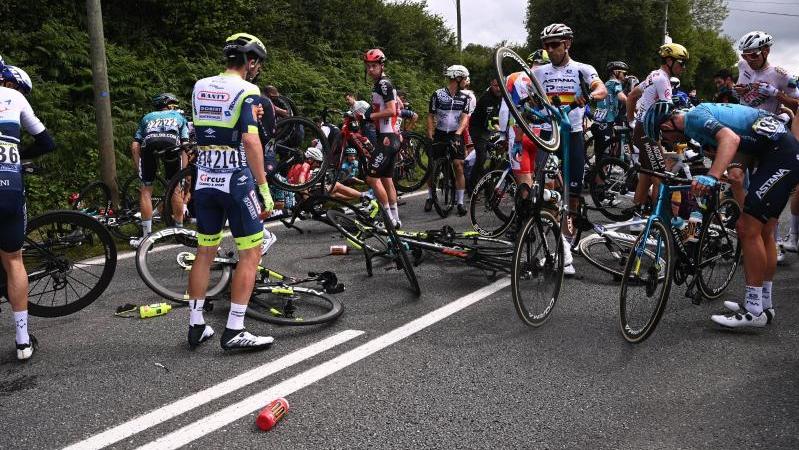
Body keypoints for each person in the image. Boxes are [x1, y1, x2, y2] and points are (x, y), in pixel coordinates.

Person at [652, 101, 799, 328]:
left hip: (779, 156)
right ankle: (764, 304)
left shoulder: (694, 119)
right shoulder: (698, 115)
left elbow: (730, 139)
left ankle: (753, 310)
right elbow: (734, 154)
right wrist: (731, 172)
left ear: (667, 124)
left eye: (664, 136)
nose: (668, 142)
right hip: (775, 151)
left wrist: (711, 176)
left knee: (749, 230)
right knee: (765, 231)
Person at [187, 32, 275, 351]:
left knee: (205, 252)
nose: (257, 70)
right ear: (250, 61)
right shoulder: (248, 89)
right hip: (234, 178)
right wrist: (263, 189)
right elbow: (251, 141)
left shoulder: (199, 86)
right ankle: (234, 329)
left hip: (204, 178)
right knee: (250, 253)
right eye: (257, 64)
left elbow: (204, 129)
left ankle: (196, 325)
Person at [534, 23, 607, 276]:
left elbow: (601, 88)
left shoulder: (582, 69)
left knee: (572, 194)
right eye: (546, 45)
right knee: (547, 189)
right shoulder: (539, 71)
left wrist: (589, 96)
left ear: (567, 44)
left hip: (573, 134)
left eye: (555, 45)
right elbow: (528, 93)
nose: (550, 50)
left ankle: (565, 242)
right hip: (548, 134)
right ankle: (553, 242)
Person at [0, 64, 56, 360]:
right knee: (13, 259)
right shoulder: (16, 99)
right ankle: (22, 341)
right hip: (9, 184)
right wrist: (18, 155)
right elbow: (47, 142)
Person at [731, 31, 799, 261]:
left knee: (767, 192)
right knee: (736, 177)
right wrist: (738, 90)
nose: (749, 59)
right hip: (744, 130)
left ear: (766, 51)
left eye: (753, 55)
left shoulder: (781, 74)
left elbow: (796, 102)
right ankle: (748, 230)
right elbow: (741, 90)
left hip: (768, 137)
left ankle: (770, 239)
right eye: (746, 55)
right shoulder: (742, 65)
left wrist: (775, 94)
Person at [626, 42, 689, 226]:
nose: (683, 67)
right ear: (669, 61)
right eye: (681, 63)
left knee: (647, 175)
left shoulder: (654, 75)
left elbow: (631, 96)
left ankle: (636, 219)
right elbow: (669, 112)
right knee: (661, 176)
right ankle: (663, 221)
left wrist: (632, 122)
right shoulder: (663, 80)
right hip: (648, 131)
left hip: (644, 129)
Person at [130, 93, 190, 244]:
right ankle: (179, 231)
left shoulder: (146, 117)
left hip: (149, 144)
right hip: (172, 144)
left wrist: (139, 167)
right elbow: (185, 146)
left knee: (146, 189)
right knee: (175, 187)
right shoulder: (178, 116)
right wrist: (184, 171)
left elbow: (135, 145)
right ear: (169, 105)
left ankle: (146, 236)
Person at [362, 49, 402, 226]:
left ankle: (388, 218)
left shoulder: (383, 84)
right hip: (391, 137)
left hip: (387, 137)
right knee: (387, 179)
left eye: (374, 66)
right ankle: (396, 219)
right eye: (368, 66)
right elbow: (393, 106)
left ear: (381, 65)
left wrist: (370, 117)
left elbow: (391, 110)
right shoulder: (383, 83)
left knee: (372, 178)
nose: (370, 70)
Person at [426, 64, 472, 216]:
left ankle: (459, 202)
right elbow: (431, 115)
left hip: (455, 133)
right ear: (457, 78)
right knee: (432, 167)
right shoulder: (437, 95)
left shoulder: (466, 97)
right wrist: (430, 132)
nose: (466, 81)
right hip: (440, 133)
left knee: (458, 165)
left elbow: (465, 118)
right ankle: (429, 196)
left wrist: (458, 133)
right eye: (464, 78)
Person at [467, 77, 503, 192]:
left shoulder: (504, 96)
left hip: (491, 128)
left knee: (498, 156)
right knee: (481, 157)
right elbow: (491, 122)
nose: (498, 88)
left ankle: (490, 184)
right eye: (495, 86)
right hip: (478, 129)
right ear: (491, 86)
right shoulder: (487, 99)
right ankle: (471, 187)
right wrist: (503, 131)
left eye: (500, 86)